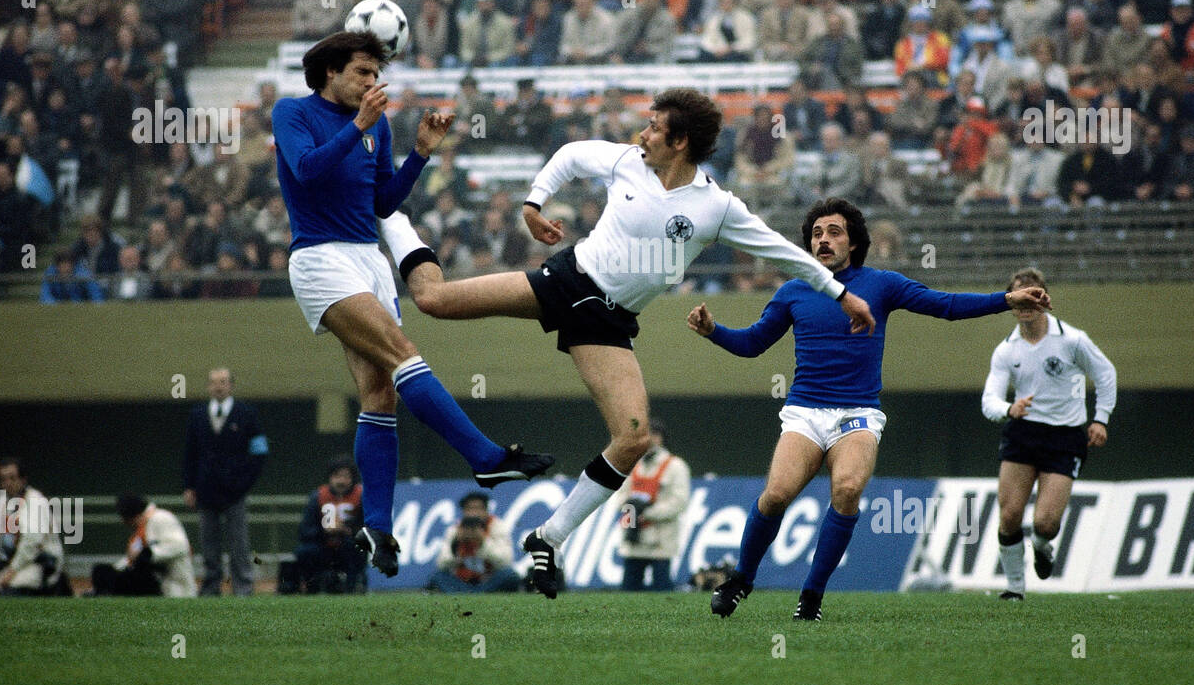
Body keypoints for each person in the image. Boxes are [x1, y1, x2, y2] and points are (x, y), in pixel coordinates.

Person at [378, 88, 877, 599]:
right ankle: (388, 213)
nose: (643, 134)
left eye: (655, 127)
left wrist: (841, 294)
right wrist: (532, 202)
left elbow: (782, 252)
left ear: (680, 142)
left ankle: (547, 537)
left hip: (609, 324)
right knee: (433, 300)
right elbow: (570, 157)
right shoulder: (626, 162)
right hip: (567, 282)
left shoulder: (716, 207)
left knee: (634, 436)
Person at [271, 30, 552, 579]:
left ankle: (376, 524)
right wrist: (357, 126)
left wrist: (421, 153)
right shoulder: (293, 112)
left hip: (369, 261)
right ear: (329, 73)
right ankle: (485, 458)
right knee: (403, 354)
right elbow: (306, 171)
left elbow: (382, 202)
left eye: (377, 75)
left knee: (380, 395)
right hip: (321, 258)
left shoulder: (376, 128)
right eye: (362, 73)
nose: (373, 83)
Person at [692, 199, 1049, 620]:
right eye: (817, 233)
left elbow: (947, 306)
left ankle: (811, 598)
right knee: (775, 495)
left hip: (857, 413)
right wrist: (714, 331)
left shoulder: (881, 284)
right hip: (805, 411)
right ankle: (741, 581)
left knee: (846, 490)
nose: (824, 240)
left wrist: (1007, 299)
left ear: (855, 242)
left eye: (834, 232)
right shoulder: (793, 290)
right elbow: (753, 344)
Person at [981, 268, 1116, 601]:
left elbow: (1105, 373)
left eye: (1033, 294)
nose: (1026, 302)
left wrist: (1100, 419)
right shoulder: (1006, 350)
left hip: (1065, 437)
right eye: (1018, 295)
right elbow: (989, 400)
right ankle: (1014, 589)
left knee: (1045, 523)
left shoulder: (1072, 340)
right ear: (1010, 302)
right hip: (1022, 434)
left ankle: (1042, 546)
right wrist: (1008, 409)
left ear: (1044, 298)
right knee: (1010, 515)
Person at [182, 367, 268, 596]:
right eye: (213, 382)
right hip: (205, 489)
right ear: (209, 386)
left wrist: (244, 483)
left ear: (231, 385)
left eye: (222, 382)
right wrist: (189, 486)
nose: (218, 386)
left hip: (235, 491)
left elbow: (259, 452)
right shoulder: (198, 415)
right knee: (208, 543)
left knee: (239, 543)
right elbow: (190, 453)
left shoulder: (247, 414)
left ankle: (243, 587)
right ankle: (211, 587)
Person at [611, 419, 691, 592]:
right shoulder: (631, 464)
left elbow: (679, 502)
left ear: (661, 438)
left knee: (662, 592)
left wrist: (647, 513)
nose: (649, 440)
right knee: (628, 593)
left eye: (654, 435)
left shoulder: (676, 466)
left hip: (660, 542)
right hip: (633, 540)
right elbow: (619, 496)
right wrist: (631, 507)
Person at [0, 457, 65, 597]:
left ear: (23, 479)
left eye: (12, 478)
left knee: (10, 590)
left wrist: (11, 572)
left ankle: (57, 588)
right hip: (15, 563)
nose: (8, 483)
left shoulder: (35, 500)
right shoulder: (4, 501)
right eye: (4, 479)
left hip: (39, 563)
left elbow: (32, 542)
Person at [91, 493, 197, 597]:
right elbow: (132, 559)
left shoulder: (162, 518)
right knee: (102, 572)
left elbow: (180, 547)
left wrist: (147, 554)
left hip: (173, 586)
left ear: (132, 516)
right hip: (154, 581)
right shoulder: (142, 527)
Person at [289, 456, 367, 593]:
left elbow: (367, 527)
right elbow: (304, 530)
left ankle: (352, 588)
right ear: (330, 477)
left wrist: (347, 530)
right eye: (337, 476)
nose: (341, 481)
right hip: (322, 545)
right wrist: (325, 530)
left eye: (346, 477)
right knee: (304, 552)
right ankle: (311, 588)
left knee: (355, 548)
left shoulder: (361, 497)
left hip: (349, 545)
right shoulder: (318, 496)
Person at [429, 492, 521, 593]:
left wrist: (483, 542)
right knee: (438, 576)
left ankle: (467, 594)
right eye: (469, 509)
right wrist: (456, 544)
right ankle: (472, 593)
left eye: (478, 509)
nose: (474, 513)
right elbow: (442, 563)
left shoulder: (497, 526)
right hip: (462, 580)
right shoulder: (454, 530)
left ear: (486, 511)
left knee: (509, 575)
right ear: (463, 511)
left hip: (488, 579)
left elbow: (506, 561)